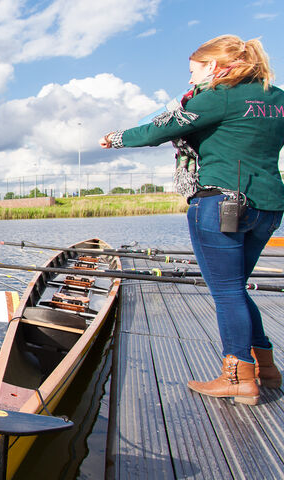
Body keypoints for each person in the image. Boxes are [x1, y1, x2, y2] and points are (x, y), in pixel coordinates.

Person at [100, 35, 284, 404]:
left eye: (194, 71)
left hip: (221, 202)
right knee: (236, 286)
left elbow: (159, 129)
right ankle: (266, 368)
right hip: (268, 206)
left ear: (216, 66)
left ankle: (237, 376)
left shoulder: (217, 97)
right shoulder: (277, 98)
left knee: (227, 290)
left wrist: (115, 138)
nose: (190, 80)